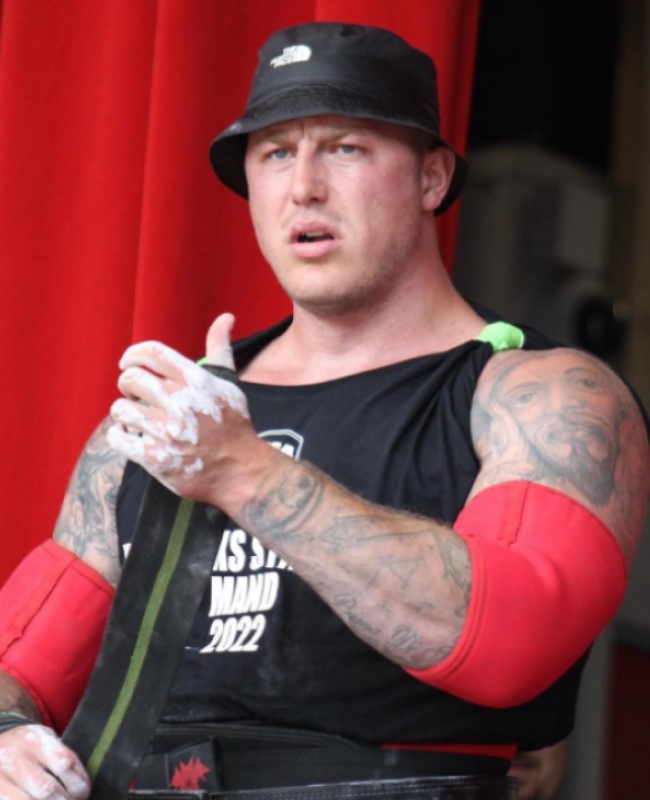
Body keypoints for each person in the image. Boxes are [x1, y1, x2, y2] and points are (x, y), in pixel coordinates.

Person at [0, 20, 648, 800]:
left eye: (345, 148)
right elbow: (21, 664)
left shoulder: (538, 394)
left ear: (432, 179)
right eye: (276, 153)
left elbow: (509, 638)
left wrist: (248, 474)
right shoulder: (168, 416)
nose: (303, 186)